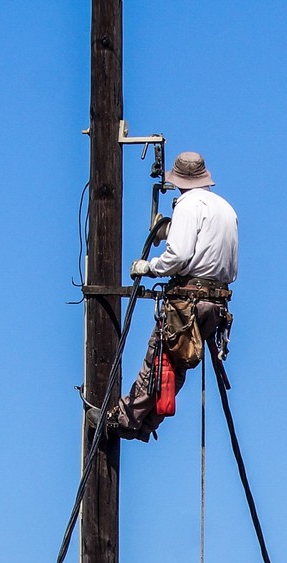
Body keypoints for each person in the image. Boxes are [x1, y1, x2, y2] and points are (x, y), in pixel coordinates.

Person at [91, 151, 239, 442]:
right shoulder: (224, 208)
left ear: (179, 180)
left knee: (158, 360)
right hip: (216, 304)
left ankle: (122, 419)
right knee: (176, 367)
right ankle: (145, 423)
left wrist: (149, 267)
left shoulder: (188, 205)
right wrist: (171, 230)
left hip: (188, 302)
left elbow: (179, 256)